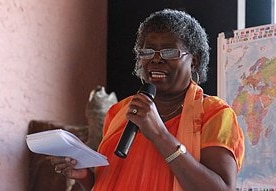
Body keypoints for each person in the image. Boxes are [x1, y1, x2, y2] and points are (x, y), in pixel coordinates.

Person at [50, 9, 244, 191]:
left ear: (194, 61)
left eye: (169, 52)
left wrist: (159, 134)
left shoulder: (215, 114)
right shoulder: (119, 112)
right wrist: (84, 176)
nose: (156, 59)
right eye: (147, 52)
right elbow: (111, 180)